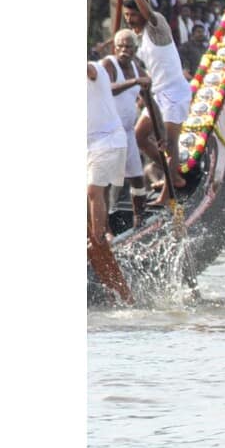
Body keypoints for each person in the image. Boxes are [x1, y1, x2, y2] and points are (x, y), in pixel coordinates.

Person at [121, 0, 192, 200]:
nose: (130, 20)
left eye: (133, 15)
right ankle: (173, 176)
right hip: (157, 94)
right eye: (126, 16)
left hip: (175, 93)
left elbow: (148, 12)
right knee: (140, 137)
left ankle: (167, 192)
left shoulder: (157, 25)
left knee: (170, 144)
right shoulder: (137, 38)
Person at [87, 58, 134, 304]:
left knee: (94, 191)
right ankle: (99, 233)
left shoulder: (94, 70)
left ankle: (97, 238)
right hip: (92, 144)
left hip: (108, 142)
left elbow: (89, 69)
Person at [102, 29, 151, 226]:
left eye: (128, 47)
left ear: (135, 50)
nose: (123, 50)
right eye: (120, 46)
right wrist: (135, 81)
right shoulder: (108, 64)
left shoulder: (137, 68)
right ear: (115, 48)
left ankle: (139, 218)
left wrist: (161, 132)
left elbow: (149, 100)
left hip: (127, 132)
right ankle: (104, 227)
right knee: (104, 182)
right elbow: (107, 89)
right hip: (108, 132)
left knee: (137, 178)